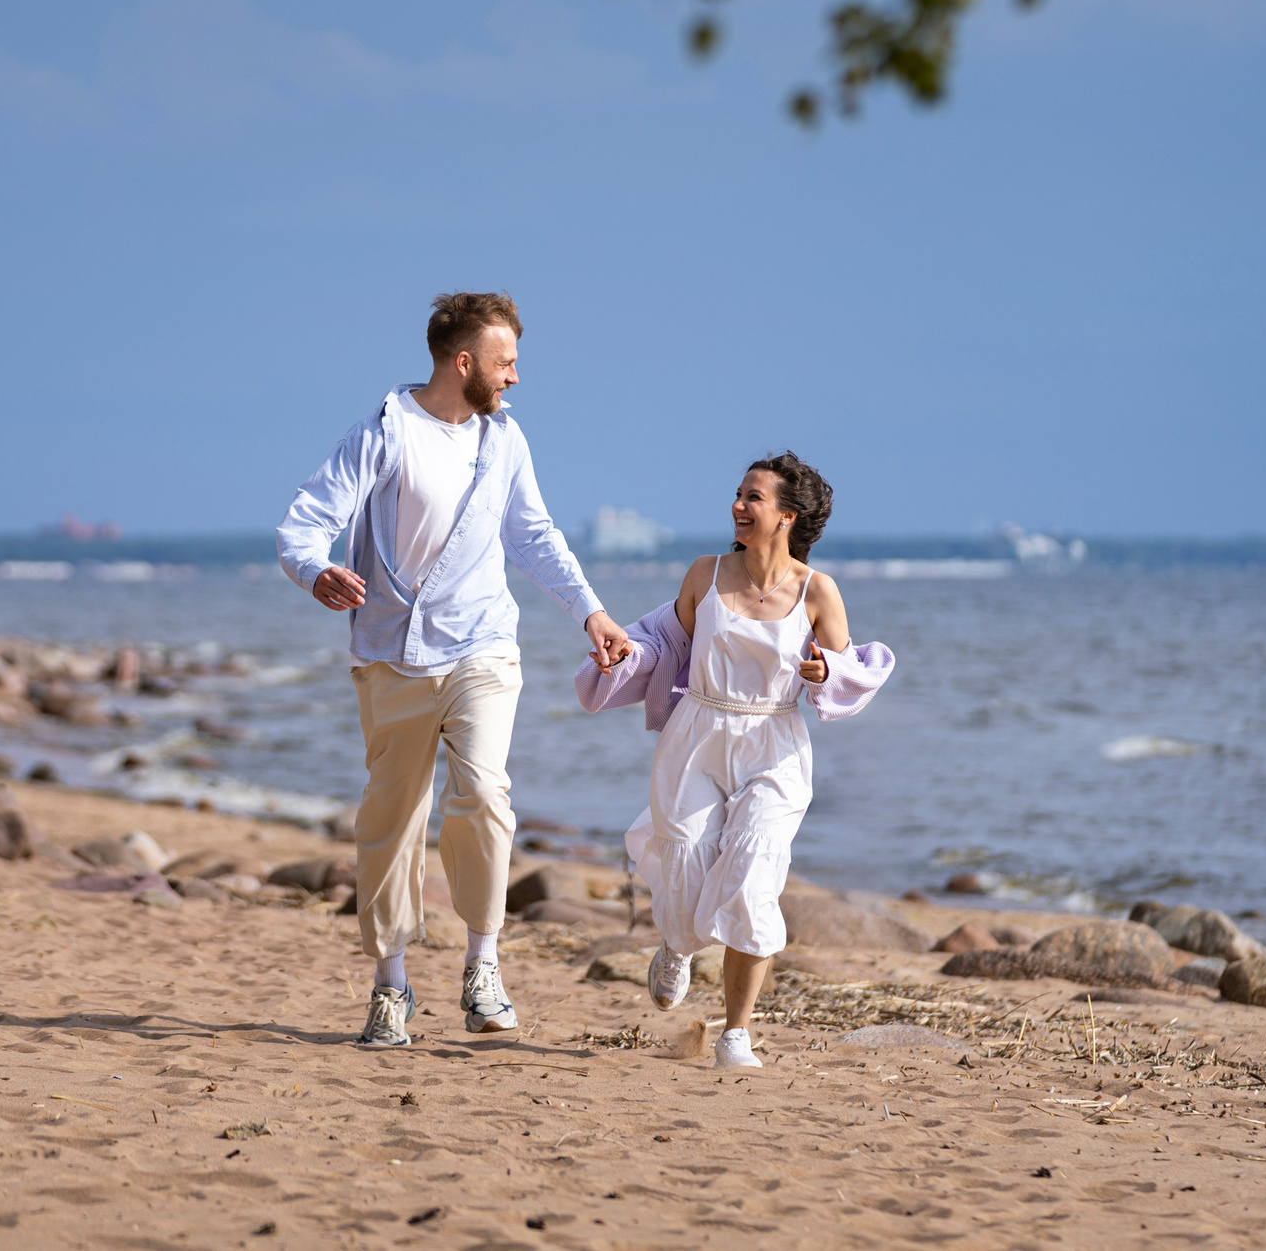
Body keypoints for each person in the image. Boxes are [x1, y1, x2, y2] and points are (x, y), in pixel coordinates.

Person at [278, 292, 631, 1048]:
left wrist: (592, 612)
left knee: (484, 791)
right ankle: (391, 985)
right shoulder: (386, 429)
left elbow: (535, 536)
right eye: (506, 362)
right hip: (391, 653)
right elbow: (307, 519)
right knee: (391, 817)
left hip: (482, 646)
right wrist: (315, 572)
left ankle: (483, 963)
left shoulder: (505, 442)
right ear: (463, 361)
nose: (515, 378)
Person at [571, 452, 894, 1071]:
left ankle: (736, 1032)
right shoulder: (706, 573)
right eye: (739, 495)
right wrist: (624, 658)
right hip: (698, 732)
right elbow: (663, 642)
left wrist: (825, 671)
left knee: (754, 874)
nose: (737, 506)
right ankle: (678, 942)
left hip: (774, 741)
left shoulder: (817, 590)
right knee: (685, 860)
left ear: (786, 517)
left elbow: (849, 671)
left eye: (753, 498)